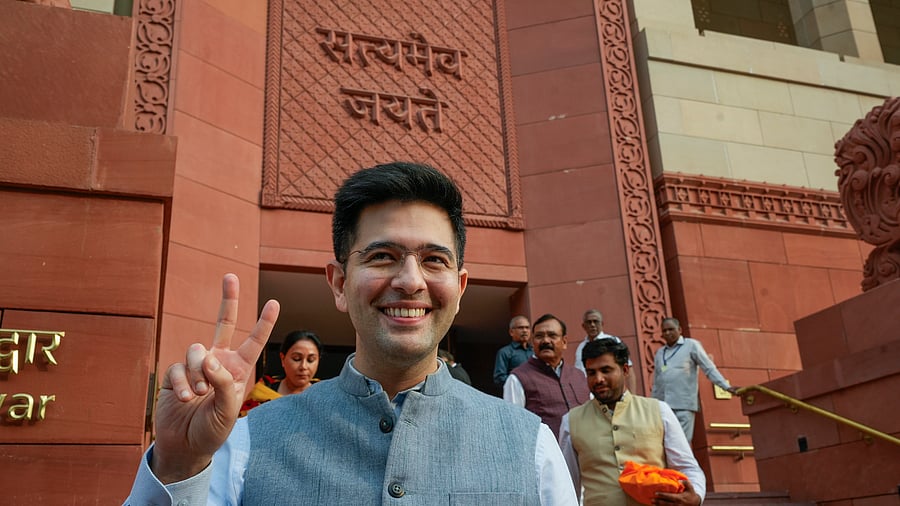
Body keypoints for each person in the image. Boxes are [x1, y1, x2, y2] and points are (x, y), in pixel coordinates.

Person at [125, 162, 578, 505]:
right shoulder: (246, 441)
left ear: (459, 289)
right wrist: (179, 463)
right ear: (340, 283)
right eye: (382, 256)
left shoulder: (531, 446)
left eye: (434, 260)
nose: (410, 281)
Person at [559, 338, 705, 505]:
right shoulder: (571, 421)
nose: (598, 379)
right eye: (591, 373)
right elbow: (567, 483)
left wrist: (695, 497)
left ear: (625, 370)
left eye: (606, 370)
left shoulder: (659, 411)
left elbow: (687, 467)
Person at [651, 317, 738, 442]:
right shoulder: (660, 352)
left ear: (680, 330)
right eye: (664, 331)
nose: (667, 333)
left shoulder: (691, 345)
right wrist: (653, 405)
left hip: (683, 405)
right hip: (664, 406)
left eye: (671, 329)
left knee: (682, 443)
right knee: (665, 443)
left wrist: (726, 387)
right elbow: (657, 382)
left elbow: (709, 369)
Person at [504, 313, 590, 439]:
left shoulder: (579, 375)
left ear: (564, 342)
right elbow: (513, 426)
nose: (545, 341)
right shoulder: (517, 379)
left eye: (552, 335)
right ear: (533, 342)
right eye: (539, 336)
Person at [240, 330, 322, 414]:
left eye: (311, 360)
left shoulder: (325, 395)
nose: (303, 366)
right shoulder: (262, 393)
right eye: (296, 358)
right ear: (283, 358)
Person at [572, 309, 637, 394]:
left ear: (602, 324)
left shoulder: (613, 342)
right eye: (589, 322)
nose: (592, 325)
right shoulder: (580, 348)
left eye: (595, 321)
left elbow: (629, 371)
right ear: (583, 326)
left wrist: (632, 395)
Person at [493, 315, 532, 387]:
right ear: (511, 332)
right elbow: (499, 378)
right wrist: (521, 381)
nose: (525, 330)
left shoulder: (535, 351)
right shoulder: (505, 352)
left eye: (527, 327)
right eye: (521, 328)